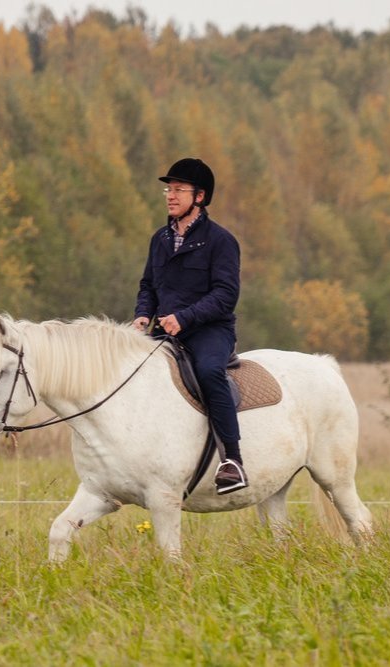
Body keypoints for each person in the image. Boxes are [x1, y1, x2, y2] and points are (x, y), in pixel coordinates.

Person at [133, 158, 247, 494]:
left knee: (210, 371)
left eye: (179, 189)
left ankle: (233, 461)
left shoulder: (221, 241)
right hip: (166, 331)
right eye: (169, 189)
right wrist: (143, 313)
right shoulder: (160, 239)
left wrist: (185, 317)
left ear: (199, 197)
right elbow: (148, 285)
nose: (170, 195)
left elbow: (226, 295)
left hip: (210, 331)